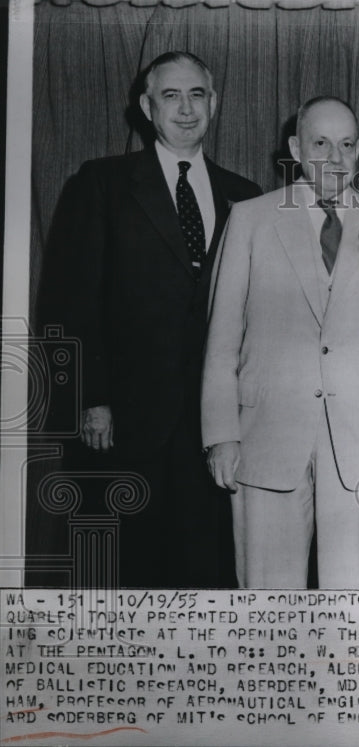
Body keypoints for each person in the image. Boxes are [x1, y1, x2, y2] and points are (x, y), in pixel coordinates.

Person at [49, 51, 261, 587]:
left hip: (214, 428)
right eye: (171, 95)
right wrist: (92, 398)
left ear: (214, 103)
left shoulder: (247, 197)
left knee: (208, 571)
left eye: (197, 95)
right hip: (127, 422)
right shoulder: (101, 184)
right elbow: (70, 300)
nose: (185, 109)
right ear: (146, 106)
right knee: (129, 570)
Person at [201, 96, 359, 589]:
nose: (335, 158)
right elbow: (222, 338)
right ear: (296, 149)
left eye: (347, 145)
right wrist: (221, 434)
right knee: (268, 608)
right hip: (265, 442)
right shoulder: (250, 220)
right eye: (321, 144)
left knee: (354, 604)